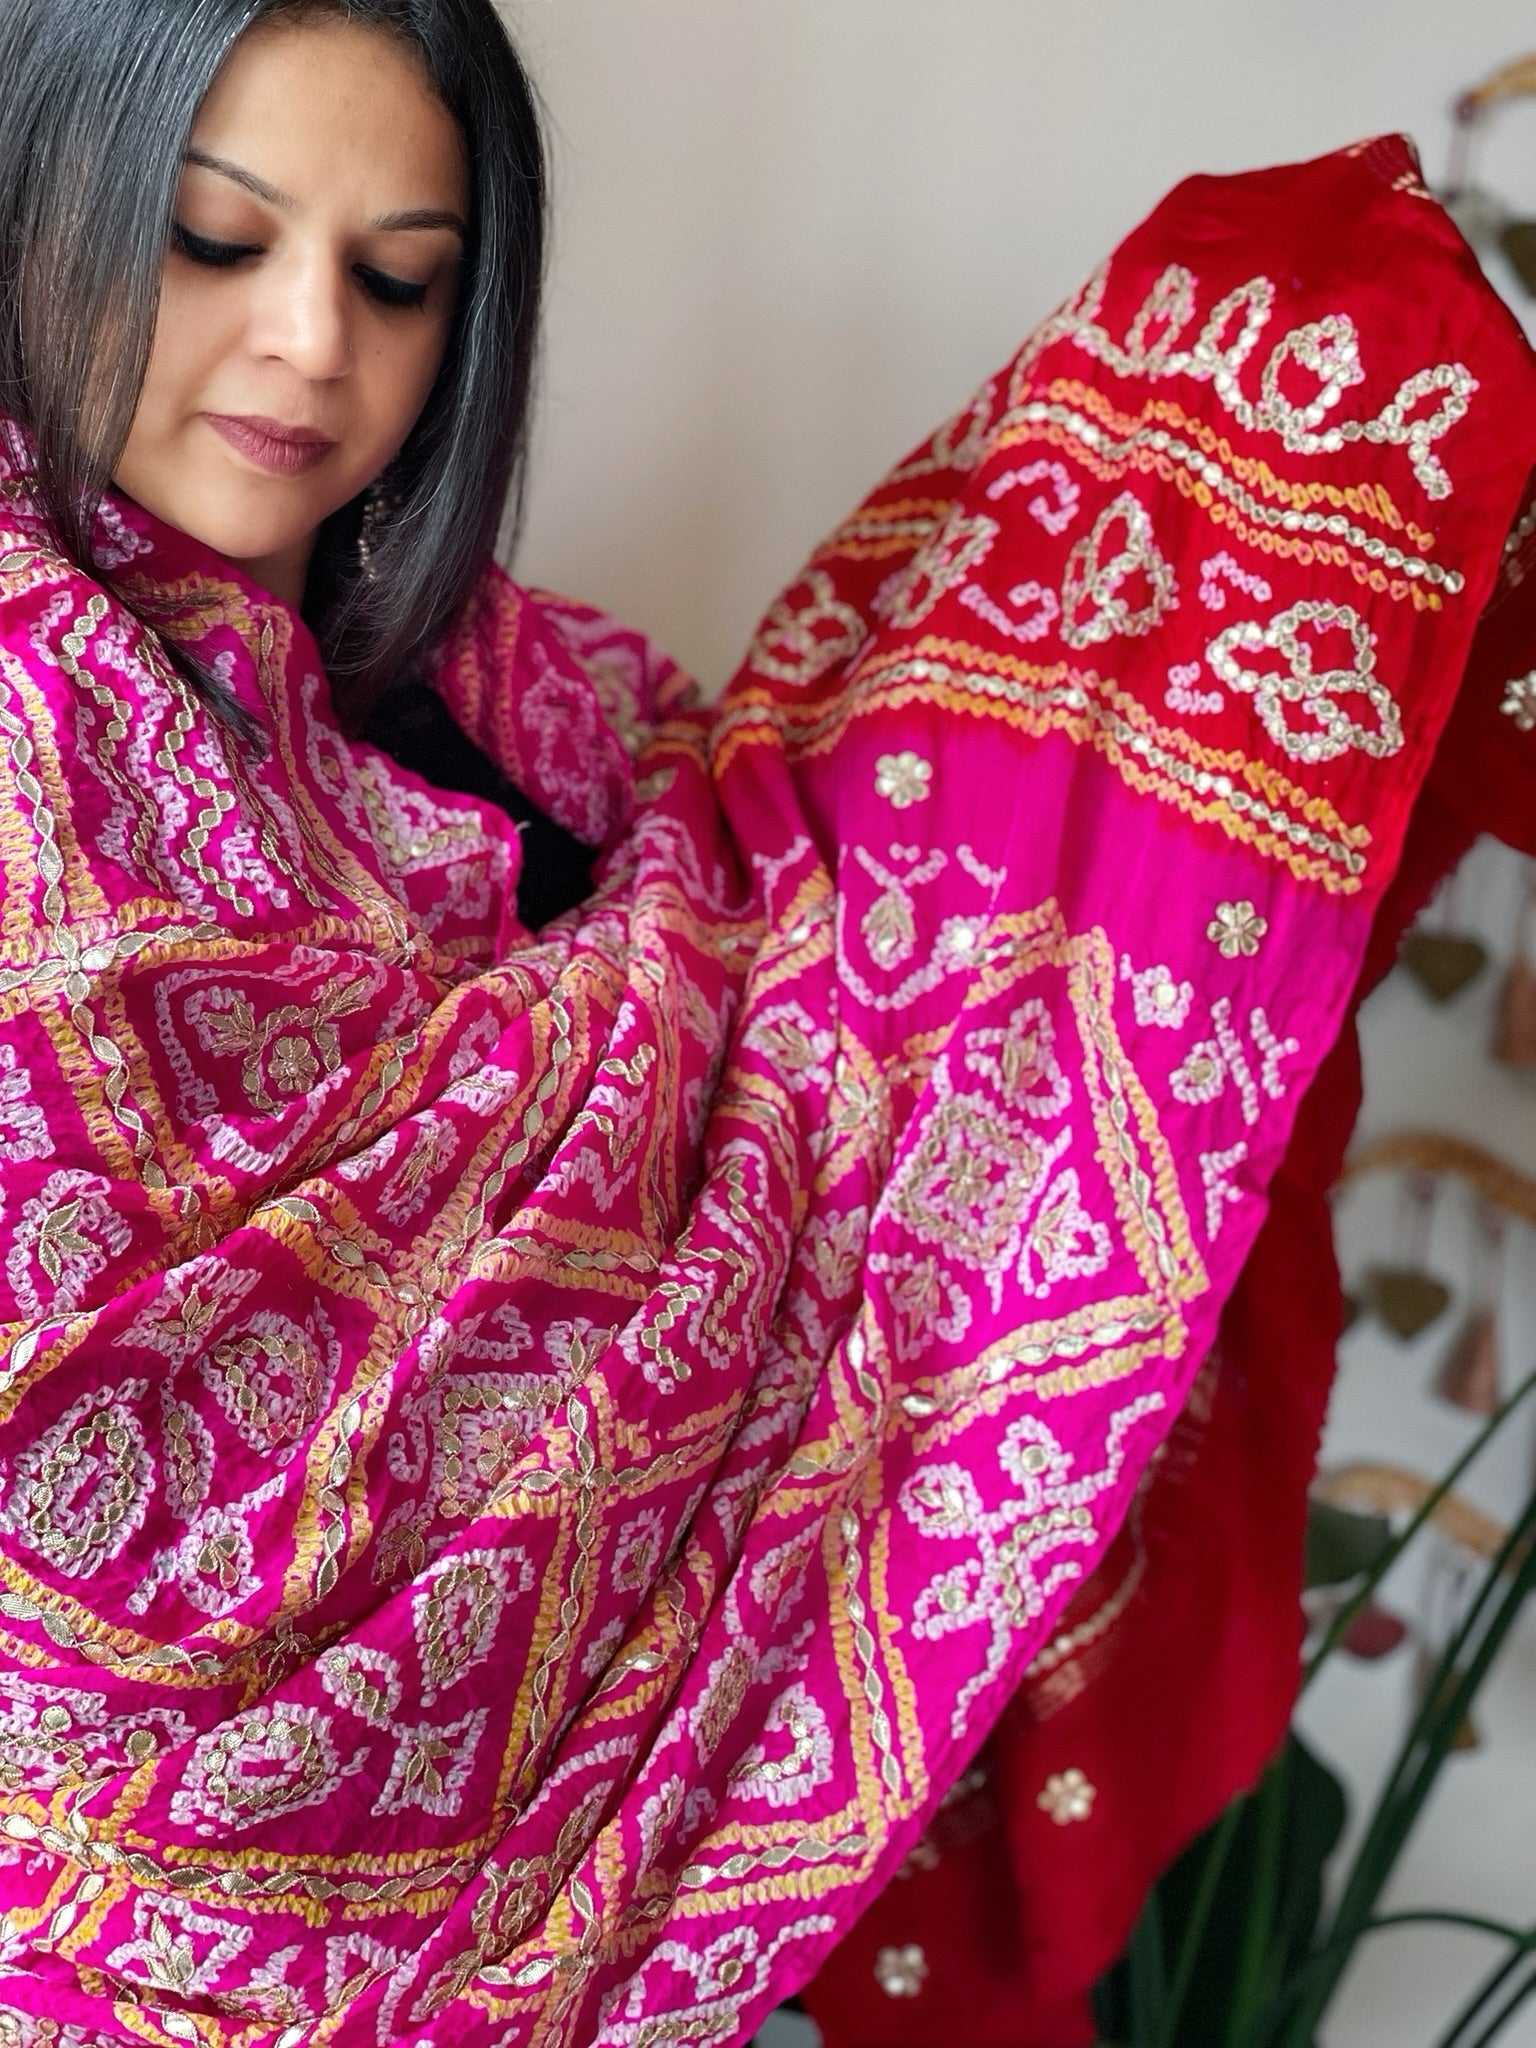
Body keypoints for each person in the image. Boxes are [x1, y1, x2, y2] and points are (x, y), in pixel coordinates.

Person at [0, 7, 1533, 2047]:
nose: (309, 346)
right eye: (215, 238)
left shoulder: (506, 690)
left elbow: (795, 910)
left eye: (399, 280)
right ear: (43, 188)